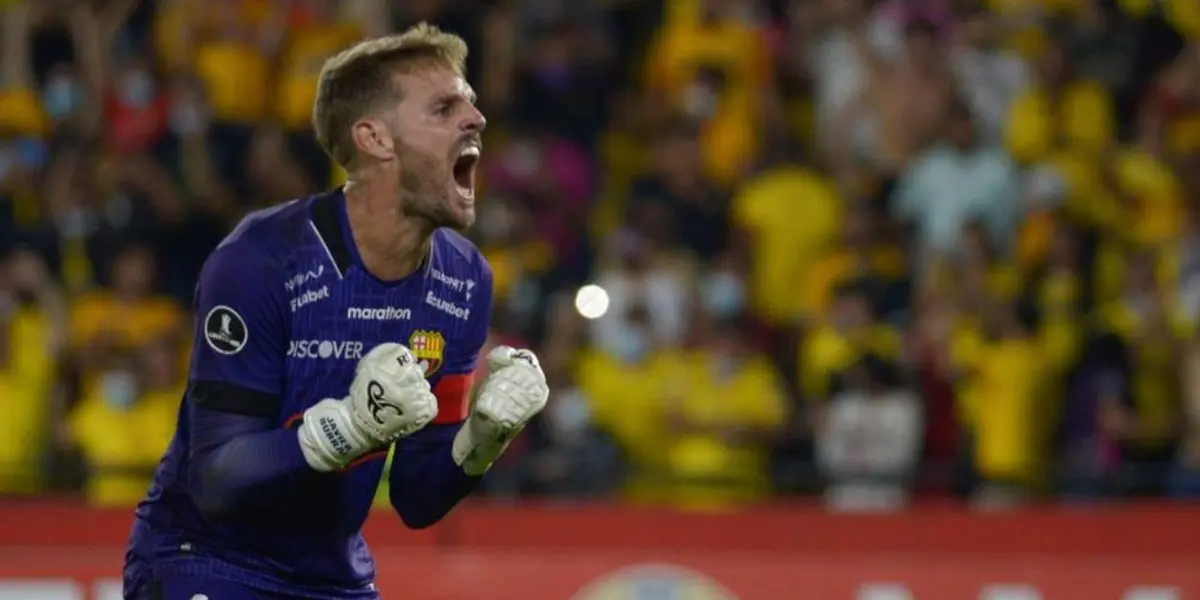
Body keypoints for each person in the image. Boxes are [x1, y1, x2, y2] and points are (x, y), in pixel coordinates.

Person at [122, 24, 550, 600]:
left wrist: (483, 437)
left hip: (331, 580)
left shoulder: (465, 278)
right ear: (375, 138)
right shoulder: (262, 258)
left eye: (471, 103)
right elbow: (217, 479)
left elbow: (418, 498)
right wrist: (349, 428)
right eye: (445, 107)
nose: (476, 119)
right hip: (205, 560)